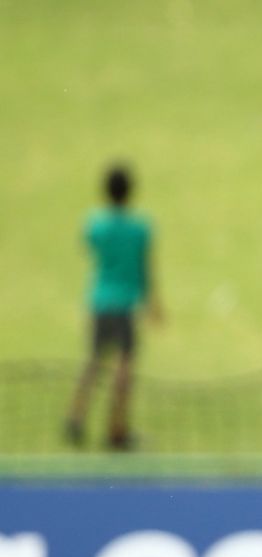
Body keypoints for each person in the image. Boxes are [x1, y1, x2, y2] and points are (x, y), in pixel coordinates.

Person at [65, 163, 162, 450]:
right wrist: (153, 303)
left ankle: (75, 417)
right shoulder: (140, 228)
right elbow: (145, 267)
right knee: (124, 367)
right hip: (125, 305)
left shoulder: (95, 223)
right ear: (130, 191)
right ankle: (116, 431)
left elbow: (88, 246)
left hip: (99, 301)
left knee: (94, 360)